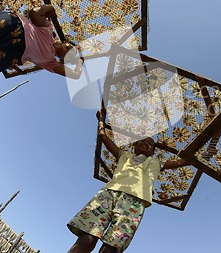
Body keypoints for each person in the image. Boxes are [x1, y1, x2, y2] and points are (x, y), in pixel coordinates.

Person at [66, 108, 189, 253]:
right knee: (89, 235)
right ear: (134, 145)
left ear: (153, 151)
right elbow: (103, 136)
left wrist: (203, 156)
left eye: (150, 143)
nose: (145, 143)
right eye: (142, 141)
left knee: (112, 247)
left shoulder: (157, 163)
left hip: (135, 203)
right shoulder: (124, 155)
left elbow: (184, 161)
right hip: (109, 194)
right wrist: (101, 120)